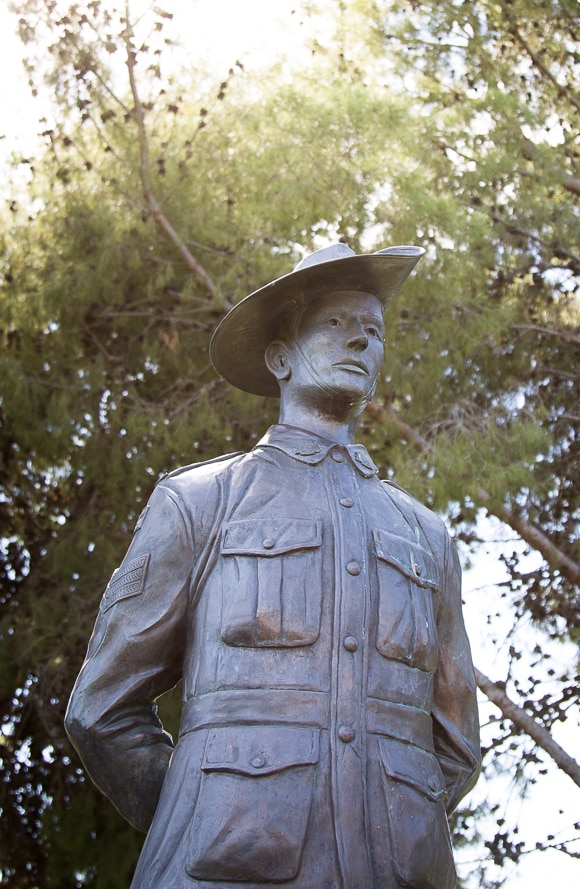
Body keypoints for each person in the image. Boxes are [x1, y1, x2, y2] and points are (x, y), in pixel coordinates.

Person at [65, 242, 481, 889]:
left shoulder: (426, 535)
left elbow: (454, 745)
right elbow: (102, 708)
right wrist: (207, 815)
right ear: (280, 356)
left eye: (373, 330)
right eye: (336, 325)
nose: (360, 341)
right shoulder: (200, 502)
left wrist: (397, 825)